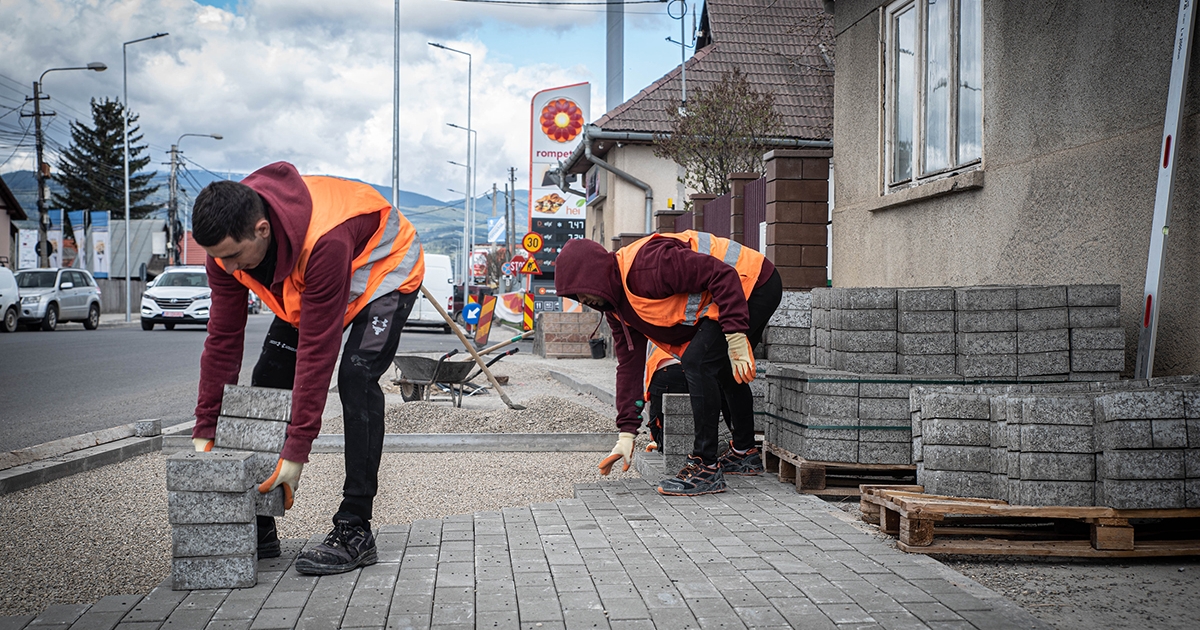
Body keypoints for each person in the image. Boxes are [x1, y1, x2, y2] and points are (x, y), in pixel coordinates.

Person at [189, 162, 425, 575]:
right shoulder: (224, 251)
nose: (225, 268)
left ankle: (355, 526)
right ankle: (259, 521)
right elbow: (224, 340)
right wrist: (205, 427)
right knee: (268, 380)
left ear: (262, 230)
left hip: (382, 269)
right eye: (217, 259)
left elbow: (318, 350)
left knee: (356, 375)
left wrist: (296, 451)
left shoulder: (324, 241)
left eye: (231, 257)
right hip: (311, 280)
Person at [555, 230, 782, 496]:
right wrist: (626, 433)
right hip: (733, 291)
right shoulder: (617, 309)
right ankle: (745, 453)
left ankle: (705, 467)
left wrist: (734, 332)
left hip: (752, 282)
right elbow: (629, 367)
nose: (582, 302)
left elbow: (722, 275)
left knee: (698, 361)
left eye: (580, 292)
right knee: (720, 369)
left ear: (592, 275)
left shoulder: (648, 265)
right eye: (575, 298)